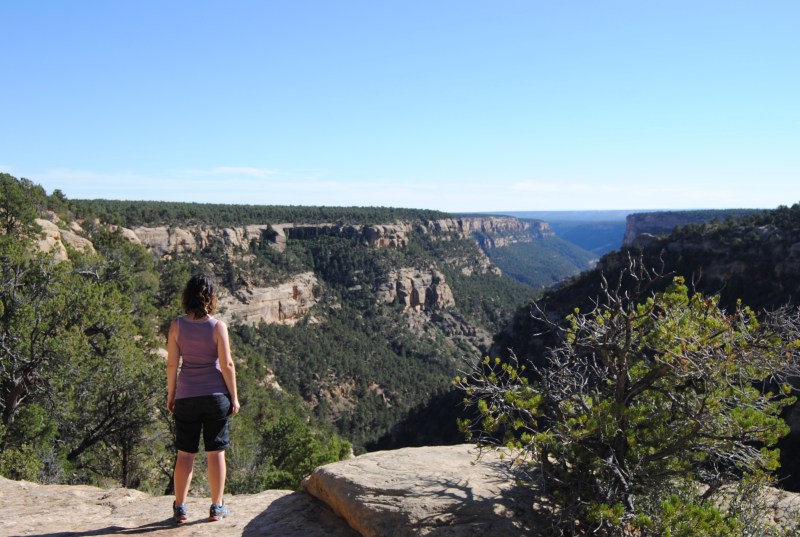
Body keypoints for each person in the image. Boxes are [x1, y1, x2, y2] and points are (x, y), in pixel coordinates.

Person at [167, 273, 240, 523]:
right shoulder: (218, 326)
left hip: (186, 395)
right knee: (216, 453)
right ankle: (217, 507)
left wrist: (172, 394)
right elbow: (227, 364)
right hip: (215, 396)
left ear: (187, 297)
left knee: (185, 454)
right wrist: (234, 396)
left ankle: (180, 508)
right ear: (211, 298)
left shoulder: (177, 325)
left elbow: (171, 365)